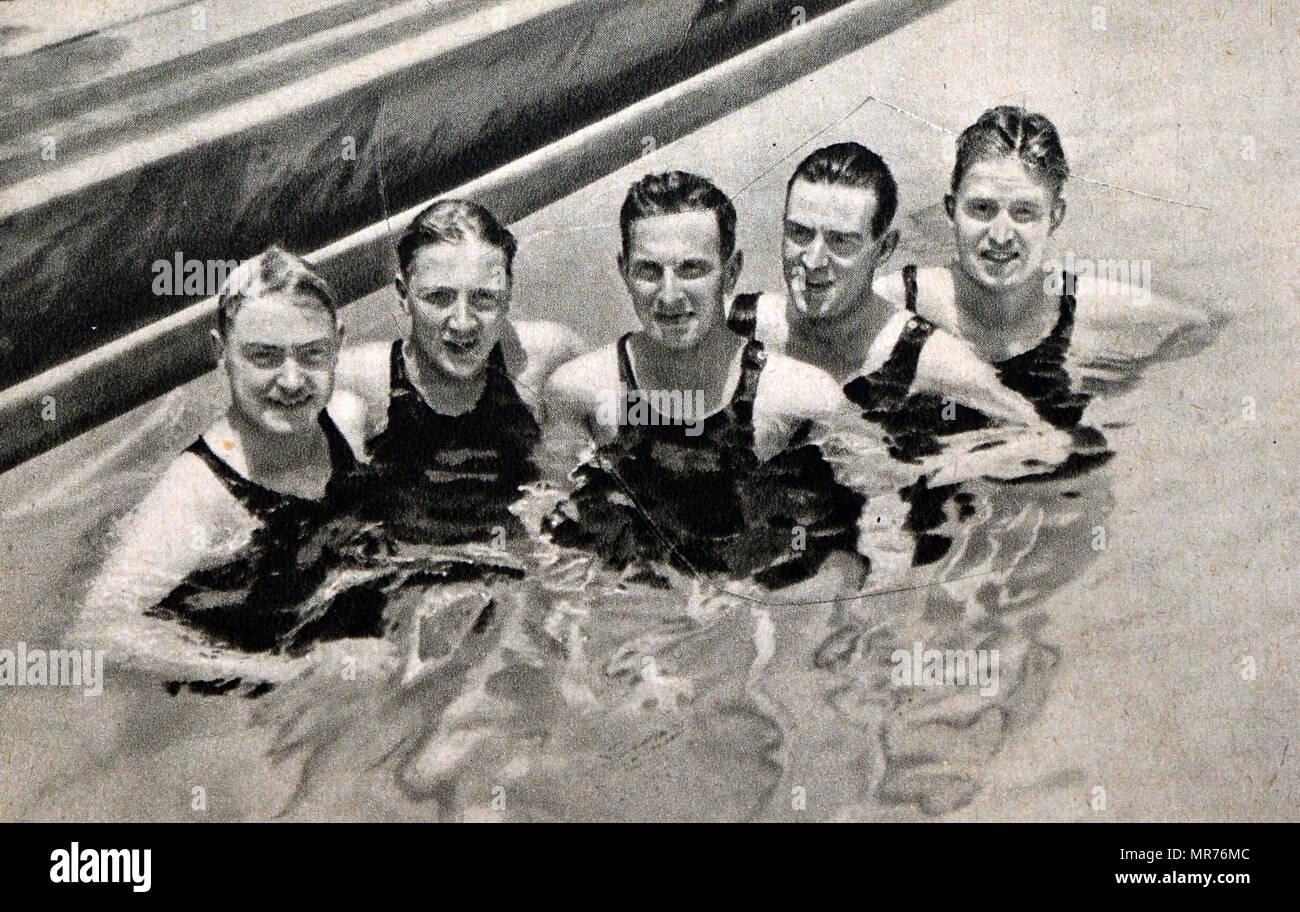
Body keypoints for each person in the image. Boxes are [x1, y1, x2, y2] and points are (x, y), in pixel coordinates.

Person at [74, 248, 388, 689]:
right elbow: (98, 634)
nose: (293, 380)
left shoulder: (348, 420)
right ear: (222, 353)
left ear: (338, 342)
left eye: (313, 353)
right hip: (250, 692)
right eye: (264, 356)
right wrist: (296, 671)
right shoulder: (199, 493)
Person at [542, 171, 863, 586]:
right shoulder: (578, 392)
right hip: (635, 605)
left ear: (731, 273)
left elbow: (860, 534)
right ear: (623, 272)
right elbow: (548, 527)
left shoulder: (802, 396)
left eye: (692, 269)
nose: (670, 295)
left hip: (761, 595)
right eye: (649, 271)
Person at [872, 105, 1212, 430]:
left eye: (1024, 213)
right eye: (981, 208)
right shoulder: (900, 301)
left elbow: (1203, 324)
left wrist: (1130, 375)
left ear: (1055, 217)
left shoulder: (1080, 303)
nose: (1001, 235)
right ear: (951, 209)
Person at [334, 199, 584, 547]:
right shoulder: (357, 384)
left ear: (509, 293)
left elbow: (571, 492)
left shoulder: (546, 360)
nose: (463, 323)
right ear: (403, 295)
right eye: (439, 297)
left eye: (484, 298)